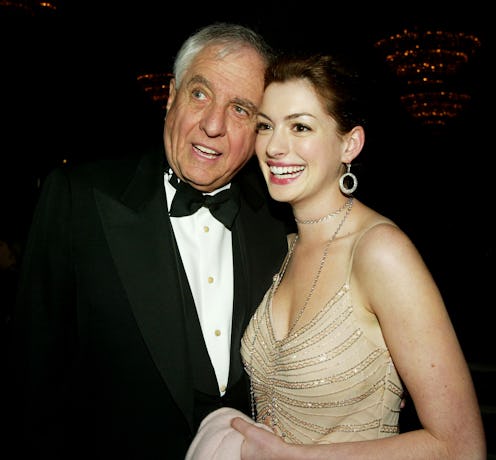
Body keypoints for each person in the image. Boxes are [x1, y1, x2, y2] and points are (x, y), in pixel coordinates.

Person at [6, 23, 294, 459]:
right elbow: (31, 378)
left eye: (239, 109)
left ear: (259, 128)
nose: (213, 124)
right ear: (172, 96)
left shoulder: (277, 222)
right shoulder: (79, 199)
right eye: (200, 94)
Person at [187, 53, 486, 459]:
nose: (274, 146)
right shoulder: (281, 247)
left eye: (300, 126)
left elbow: (462, 447)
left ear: (350, 144)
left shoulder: (380, 251)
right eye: (265, 126)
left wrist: (297, 457)